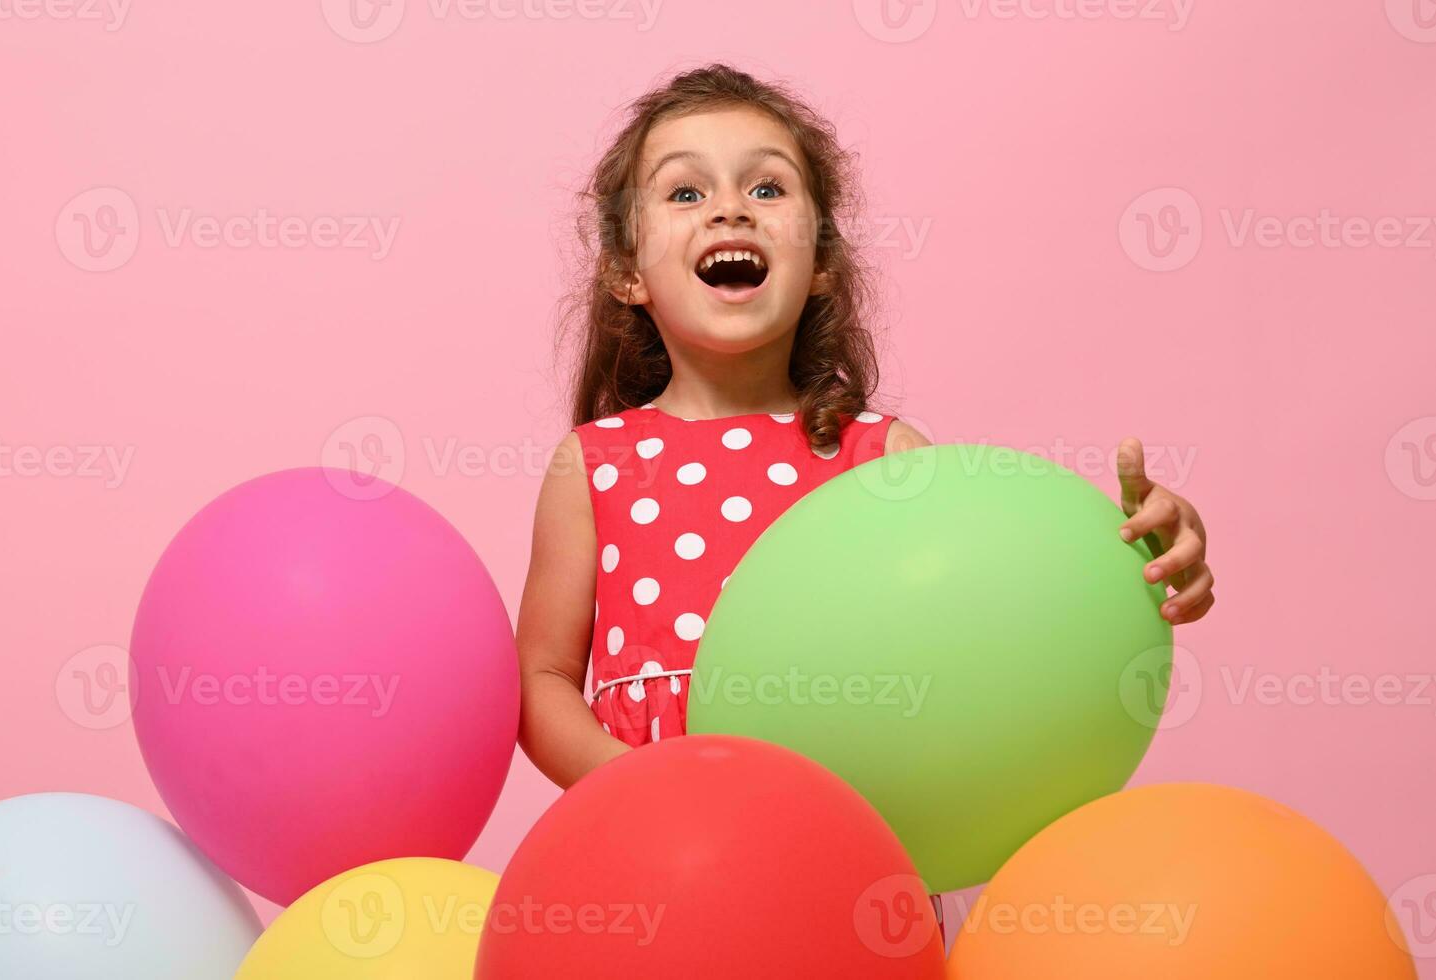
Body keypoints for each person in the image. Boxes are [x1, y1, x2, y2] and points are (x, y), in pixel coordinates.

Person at [517, 63, 1215, 793]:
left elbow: (992, 629)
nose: (731, 210)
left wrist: (1140, 567)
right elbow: (542, 677)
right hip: (650, 856)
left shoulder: (883, 459)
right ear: (626, 272)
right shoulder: (595, 465)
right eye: (686, 192)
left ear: (820, 260)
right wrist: (636, 791)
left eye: (766, 188)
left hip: (853, 851)